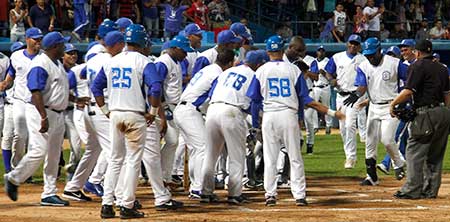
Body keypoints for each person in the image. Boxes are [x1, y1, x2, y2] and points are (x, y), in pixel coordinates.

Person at [247, 35, 344, 207]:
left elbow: (254, 99)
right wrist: (300, 117)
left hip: (269, 115)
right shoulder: (294, 70)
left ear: (268, 51)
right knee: (295, 157)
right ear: (283, 49)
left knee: (270, 157)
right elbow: (303, 98)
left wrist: (256, 124)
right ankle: (299, 195)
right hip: (288, 114)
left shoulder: (260, 70)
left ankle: (270, 195)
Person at [91, 24, 151, 219]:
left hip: (115, 114)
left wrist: (105, 110)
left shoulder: (112, 61)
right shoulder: (144, 61)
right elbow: (156, 87)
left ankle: (107, 205)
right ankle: (127, 205)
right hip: (135, 115)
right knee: (133, 160)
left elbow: (96, 87)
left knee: (115, 160)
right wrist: (154, 111)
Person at [4, 31, 70, 206]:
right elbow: (35, 91)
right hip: (41, 112)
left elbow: (58, 90)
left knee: (54, 155)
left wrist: (76, 99)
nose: (65, 47)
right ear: (55, 46)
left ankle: (49, 193)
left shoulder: (57, 63)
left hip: (57, 113)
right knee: (39, 150)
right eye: (62, 44)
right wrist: (43, 116)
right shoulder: (41, 64)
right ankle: (13, 177)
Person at [199, 50, 267, 205]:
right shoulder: (254, 75)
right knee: (237, 156)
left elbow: (211, 93)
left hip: (213, 109)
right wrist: (256, 125)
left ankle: (205, 192)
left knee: (210, 155)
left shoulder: (227, 72)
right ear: (258, 64)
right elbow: (255, 102)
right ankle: (234, 194)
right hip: (232, 112)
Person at [390, 40, 450, 199]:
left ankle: (411, 189)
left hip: (426, 113)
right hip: (443, 112)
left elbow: (409, 91)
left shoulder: (417, 66)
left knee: (414, 151)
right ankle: (430, 190)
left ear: (417, 52)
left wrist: (393, 103)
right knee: (435, 155)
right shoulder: (442, 68)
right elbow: (447, 95)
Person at [348, 37, 407, 186]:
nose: (370, 57)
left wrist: (403, 101)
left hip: (391, 106)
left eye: (372, 54)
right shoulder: (363, 65)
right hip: (374, 106)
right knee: (370, 141)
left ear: (380, 50)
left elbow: (409, 81)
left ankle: (398, 164)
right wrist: (356, 94)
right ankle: (372, 177)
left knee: (387, 139)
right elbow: (362, 85)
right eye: (367, 55)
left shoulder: (394, 63)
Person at [0, 28, 43, 178]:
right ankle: (16, 167)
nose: (38, 41)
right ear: (27, 39)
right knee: (19, 135)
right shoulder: (16, 56)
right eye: (35, 39)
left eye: (40, 39)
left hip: (35, 102)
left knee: (33, 138)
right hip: (19, 100)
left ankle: (23, 170)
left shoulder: (44, 57)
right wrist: (5, 83)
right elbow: (11, 73)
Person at [324, 34, 367, 169]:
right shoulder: (337, 57)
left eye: (355, 44)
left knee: (349, 125)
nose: (353, 45)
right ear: (347, 43)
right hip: (340, 96)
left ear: (359, 46)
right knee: (343, 128)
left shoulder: (363, 60)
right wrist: (331, 80)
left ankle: (351, 157)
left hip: (354, 96)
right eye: (351, 43)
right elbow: (327, 72)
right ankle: (348, 154)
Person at [311, 46, 332, 135]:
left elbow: (333, 73)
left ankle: (328, 125)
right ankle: (315, 126)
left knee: (326, 107)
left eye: (322, 51)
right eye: (319, 51)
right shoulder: (313, 61)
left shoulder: (328, 61)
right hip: (316, 86)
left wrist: (324, 73)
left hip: (325, 86)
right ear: (317, 52)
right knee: (314, 107)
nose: (321, 53)